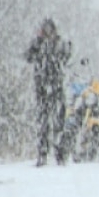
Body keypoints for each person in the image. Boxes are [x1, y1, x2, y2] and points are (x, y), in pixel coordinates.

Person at [25, 17, 72, 166]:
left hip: (55, 87)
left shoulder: (59, 44)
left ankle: (60, 154)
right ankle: (44, 153)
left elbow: (67, 56)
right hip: (43, 89)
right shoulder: (38, 44)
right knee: (44, 123)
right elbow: (28, 56)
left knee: (58, 122)